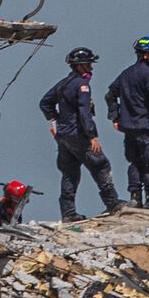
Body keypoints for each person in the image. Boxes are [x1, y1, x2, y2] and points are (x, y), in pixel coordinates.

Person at [39, 47, 123, 222]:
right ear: (79, 66)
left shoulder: (63, 84)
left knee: (70, 173)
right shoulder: (82, 86)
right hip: (79, 135)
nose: (91, 69)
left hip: (63, 136)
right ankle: (113, 204)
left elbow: (45, 103)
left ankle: (68, 213)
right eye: (88, 64)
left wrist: (56, 120)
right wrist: (92, 136)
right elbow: (85, 113)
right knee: (101, 165)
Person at [105, 36, 149, 210]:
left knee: (134, 162)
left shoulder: (126, 73)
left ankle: (135, 198)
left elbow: (110, 95)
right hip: (148, 127)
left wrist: (115, 117)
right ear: (146, 55)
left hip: (129, 128)